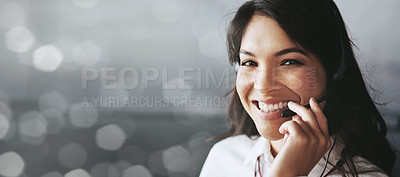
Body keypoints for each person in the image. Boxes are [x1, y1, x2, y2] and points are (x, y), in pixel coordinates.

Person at [200, 0, 396, 176]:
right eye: (250, 63)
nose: (263, 86)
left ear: (334, 73)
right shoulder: (224, 158)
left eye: (289, 62)